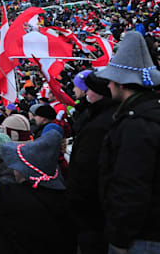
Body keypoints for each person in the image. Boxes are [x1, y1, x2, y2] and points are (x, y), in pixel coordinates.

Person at [0, 115, 75, 253]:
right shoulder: (60, 195)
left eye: (18, 165)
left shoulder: (14, 198)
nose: (14, 168)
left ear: (28, 172)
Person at [96, 31, 160, 253]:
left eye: (112, 80)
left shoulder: (136, 125)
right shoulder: (147, 114)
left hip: (141, 238)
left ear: (122, 84)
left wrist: (119, 238)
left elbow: (131, 186)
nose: (109, 85)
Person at [67, 72, 116, 254]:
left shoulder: (99, 124)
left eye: (89, 89)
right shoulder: (95, 115)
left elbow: (87, 170)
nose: (85, 92)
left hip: (93, 215)